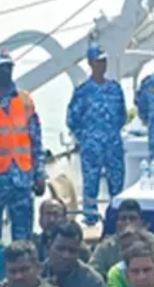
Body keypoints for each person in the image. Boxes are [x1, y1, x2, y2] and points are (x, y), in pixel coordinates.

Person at [0, 50, 46, 241]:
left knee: (23, 236)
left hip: (21, 179)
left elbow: (35, 139)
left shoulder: (24, 99)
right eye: (0, 68)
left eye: (9, 67)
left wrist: (39, 173)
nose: (5, 71)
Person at [66, 44, 127, 226]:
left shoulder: (115, 88)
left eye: (104, 61)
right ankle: (90, 220)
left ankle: (115, 220)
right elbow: (72, 119)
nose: (102, 65)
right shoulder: (82, 91)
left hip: (113, 145)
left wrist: (110, 132)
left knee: (117, 185)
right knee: (90, 185)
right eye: (98, 61)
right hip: (92, 147)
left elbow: (122, 115)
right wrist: (86, 138)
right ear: (90, 63)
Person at [90, 199, 144, 278]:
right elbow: (93, 273)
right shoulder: (105, 247)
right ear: (117, 223)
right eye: (123, 218)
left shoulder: (151, 243)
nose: (127, 222)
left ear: (141, 222)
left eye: (132, 218)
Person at [32, 199, 91, 263]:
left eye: (56, 215)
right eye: (48, 214)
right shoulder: (34, 245)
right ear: (40, 218)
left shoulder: (78, 247)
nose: (52, 220)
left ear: (64, 218)